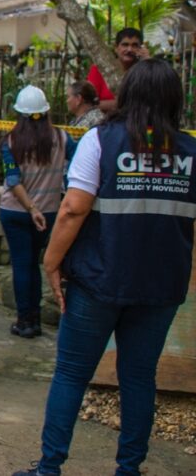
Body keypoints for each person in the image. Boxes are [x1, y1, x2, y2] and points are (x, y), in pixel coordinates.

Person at [14, 59, 196, 476]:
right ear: (175, 99)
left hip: (98, 281)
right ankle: (129, 469)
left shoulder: (101, 141)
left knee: (72, 374)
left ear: (128, 94)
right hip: (161, 288)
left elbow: (73, 209)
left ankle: (49, 467)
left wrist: (51, 261)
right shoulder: (190, 152)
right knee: (138, 379)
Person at [0, 85, 75, 339]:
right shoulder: (63, 139)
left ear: (19, 114)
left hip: (16, 212)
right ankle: (37, 319)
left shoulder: (10, 141)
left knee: (22, 265)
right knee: (38, 265)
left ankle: (25, 321)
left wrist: (30, 208)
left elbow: (13, 180)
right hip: (50, 213)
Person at [86, 27, 147, 113]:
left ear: (141, 48)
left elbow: (150, 102)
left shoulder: (144, 71)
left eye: (134, 45)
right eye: (125, 45)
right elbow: (88, 104)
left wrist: (148, 62)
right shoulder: (99, 69)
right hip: (104, 122)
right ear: (116, 48)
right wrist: (127, 104)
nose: (129, 49)